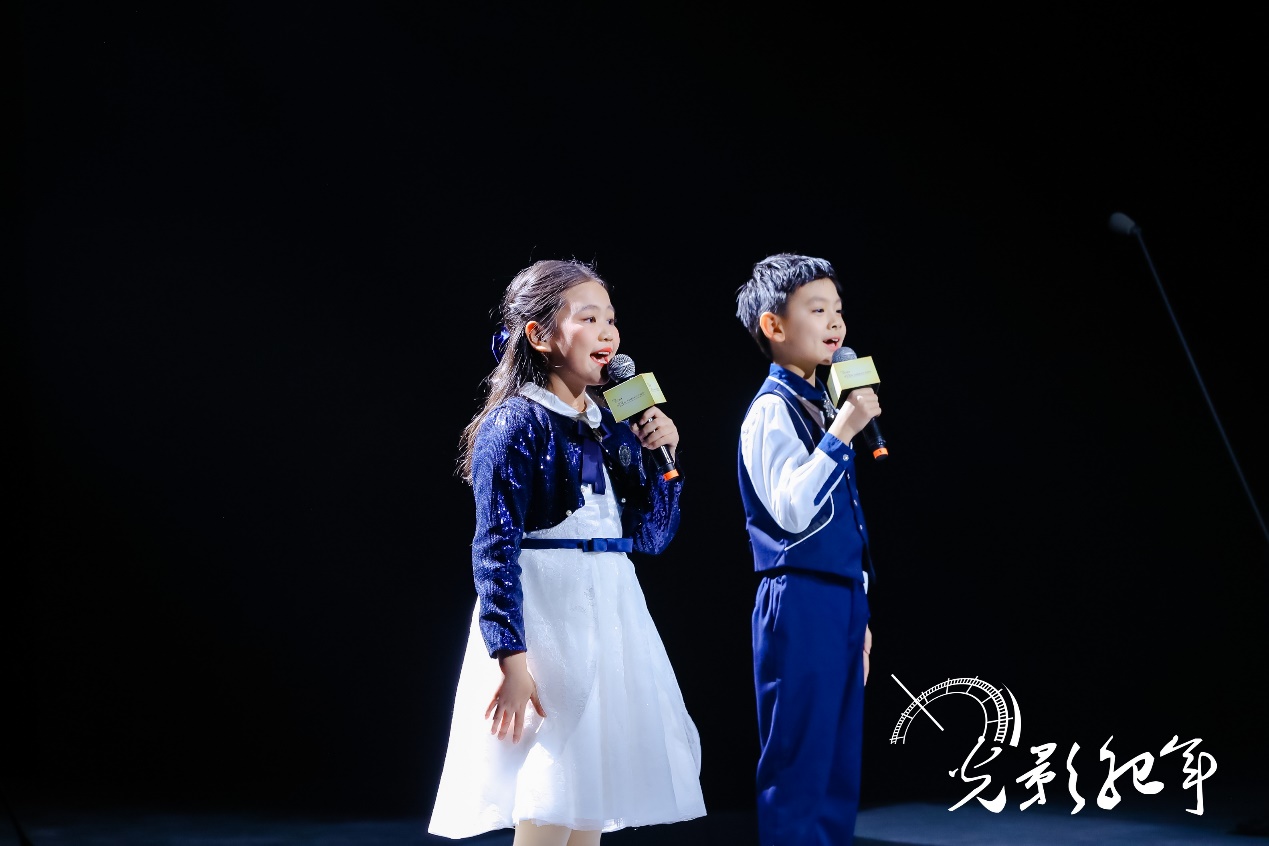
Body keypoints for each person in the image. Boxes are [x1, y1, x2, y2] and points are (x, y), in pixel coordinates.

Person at [428, 259, 706, 845]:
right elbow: (494, 548)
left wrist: (664, 462)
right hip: (548, 610)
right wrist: (511, 658)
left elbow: (652, 537)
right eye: (589, 318)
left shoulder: (613, 423)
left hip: (611, 606)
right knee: (550, 782)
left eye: (611, 319)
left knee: (588, 794)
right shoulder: (516, 422)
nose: (608, 332)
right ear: (540, 335)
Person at [734, 252, 881, 846]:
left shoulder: (823, 404)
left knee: (838, 767)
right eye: (816, 310)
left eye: (837, 309)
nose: (834, 322)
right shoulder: (771, 409)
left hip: (840, 597)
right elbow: (792, 510)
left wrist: (859, 609)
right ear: (773, 325)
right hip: (797, 596)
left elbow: (848, 522)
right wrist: (844, 430)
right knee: (800, 760)